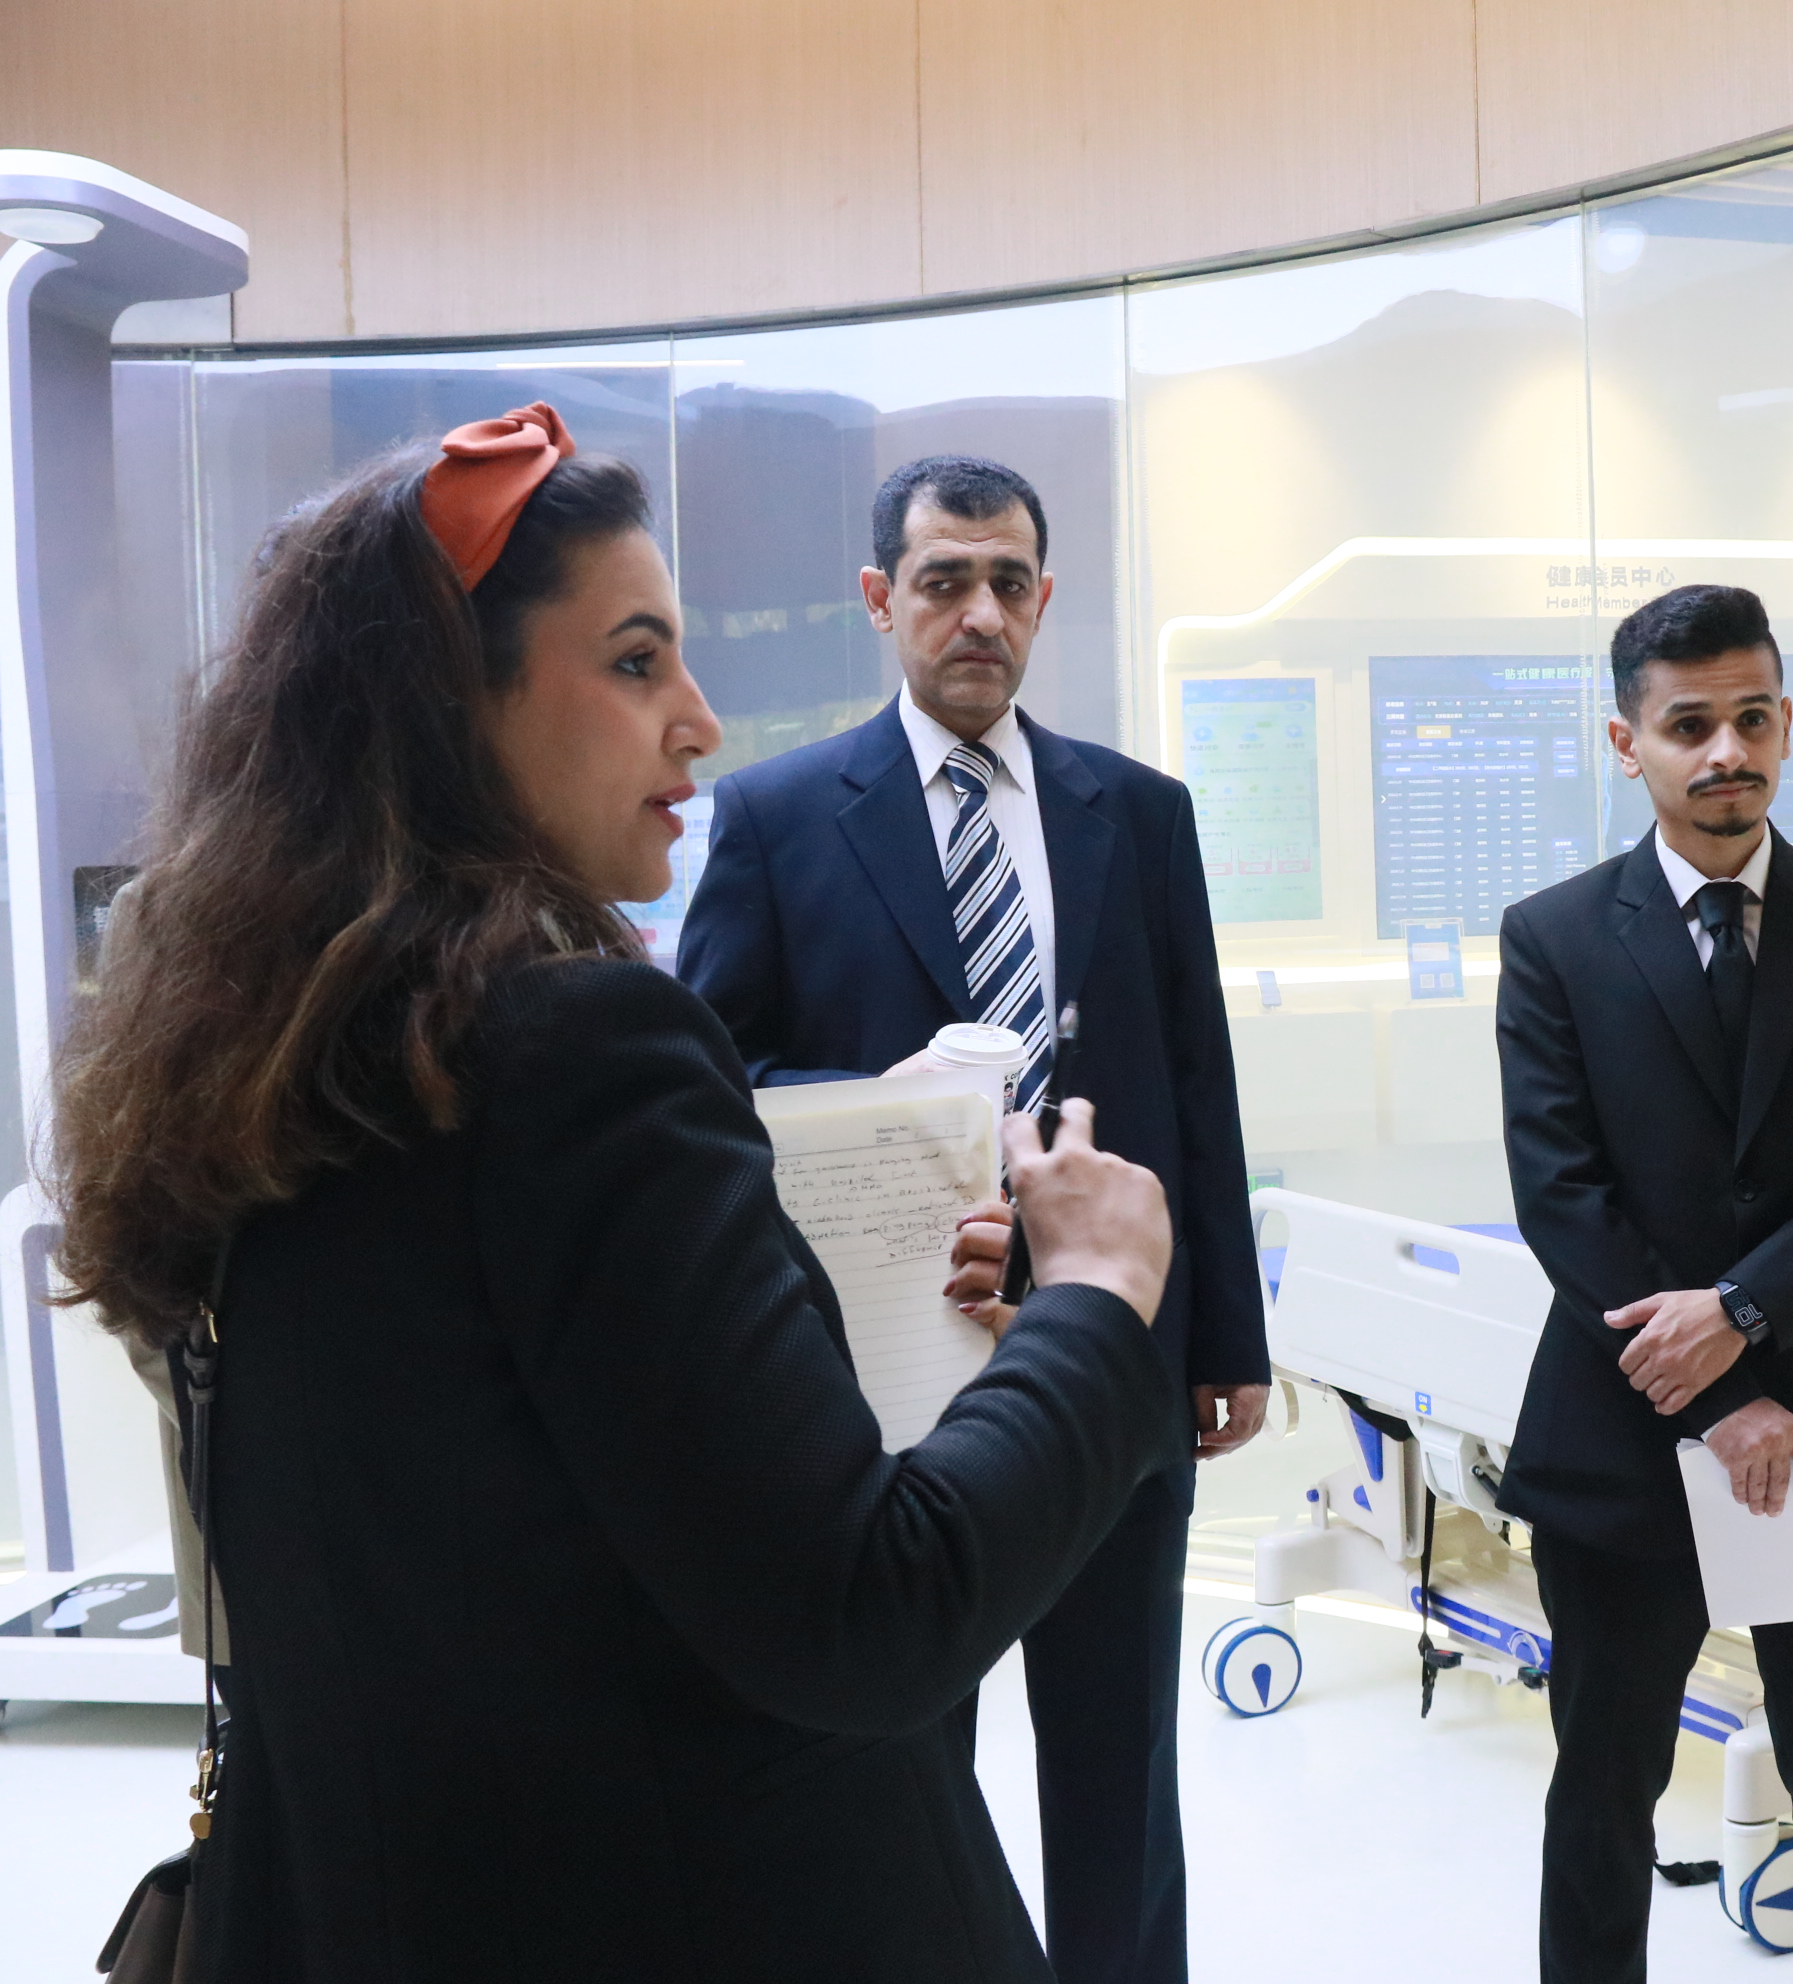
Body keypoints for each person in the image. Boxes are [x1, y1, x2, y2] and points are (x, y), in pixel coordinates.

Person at [46, 406, 1185, 1981]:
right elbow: (867, 1612)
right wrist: (1097, 1300)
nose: (699, 723)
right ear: (452, 704)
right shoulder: (578, 1047)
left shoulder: (260, 1058)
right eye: (637, 662)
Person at [674, 455, 1263, 1984]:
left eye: (1009, 583)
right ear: (882, 599)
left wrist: (1227, 1336)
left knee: (1119, 1764)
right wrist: (879, 1107)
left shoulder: (1139, 814)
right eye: (945, 581)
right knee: (899, 1766)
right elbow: (709, 1077)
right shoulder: (778, 817)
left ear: (1045, 599)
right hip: (887, 1367)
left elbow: (1195, 1086)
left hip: (1109, 1352)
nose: (980, 614)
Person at [1495, 585, 1793, 1984]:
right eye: (1688, 724)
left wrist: (1744, 1320)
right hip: (1627, 1427)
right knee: (1603, 1795)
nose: (1726, 752)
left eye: (1752, 719)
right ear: (1625, 741)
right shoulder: (1556, 937)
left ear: (1788, 725)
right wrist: (1713, 1397)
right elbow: (1563, 1197)